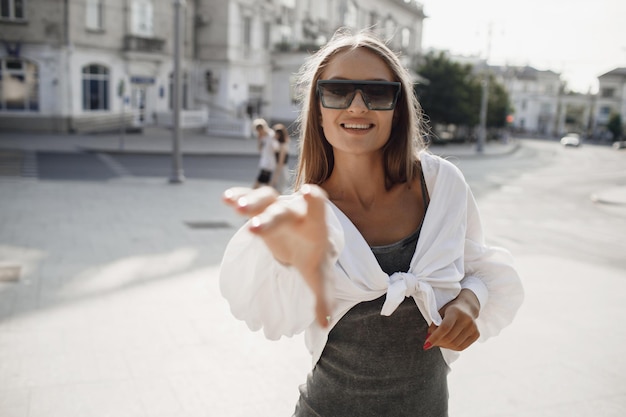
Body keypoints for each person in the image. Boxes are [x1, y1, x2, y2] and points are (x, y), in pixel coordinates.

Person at [220, 28, 524, 417]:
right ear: (318, 107)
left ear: (397, 107)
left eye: (377, 93)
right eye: (337, 91)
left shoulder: (442, 184)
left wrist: (468, 301)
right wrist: (282, 255)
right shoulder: (307, 214)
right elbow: (272, 318)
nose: (358, 106)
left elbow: (479, 269)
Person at [252, 118, 276, 188]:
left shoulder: (271, 135)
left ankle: (254, 192)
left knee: (260, 180)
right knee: (267, 182)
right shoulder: (261, 137)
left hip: (270, 161)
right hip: (264, 160)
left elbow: (275, 148)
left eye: (260, 130)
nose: (259, 132)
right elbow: (259, 149)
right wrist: (259, 140)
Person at [271, 123, 291, 192]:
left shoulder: (283, 146)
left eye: (276, 134)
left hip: (281, 170)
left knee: (278, 191)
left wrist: (276, 176)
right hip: (278, 168)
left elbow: (280, 162)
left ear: (279, 135)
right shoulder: (278, 144)